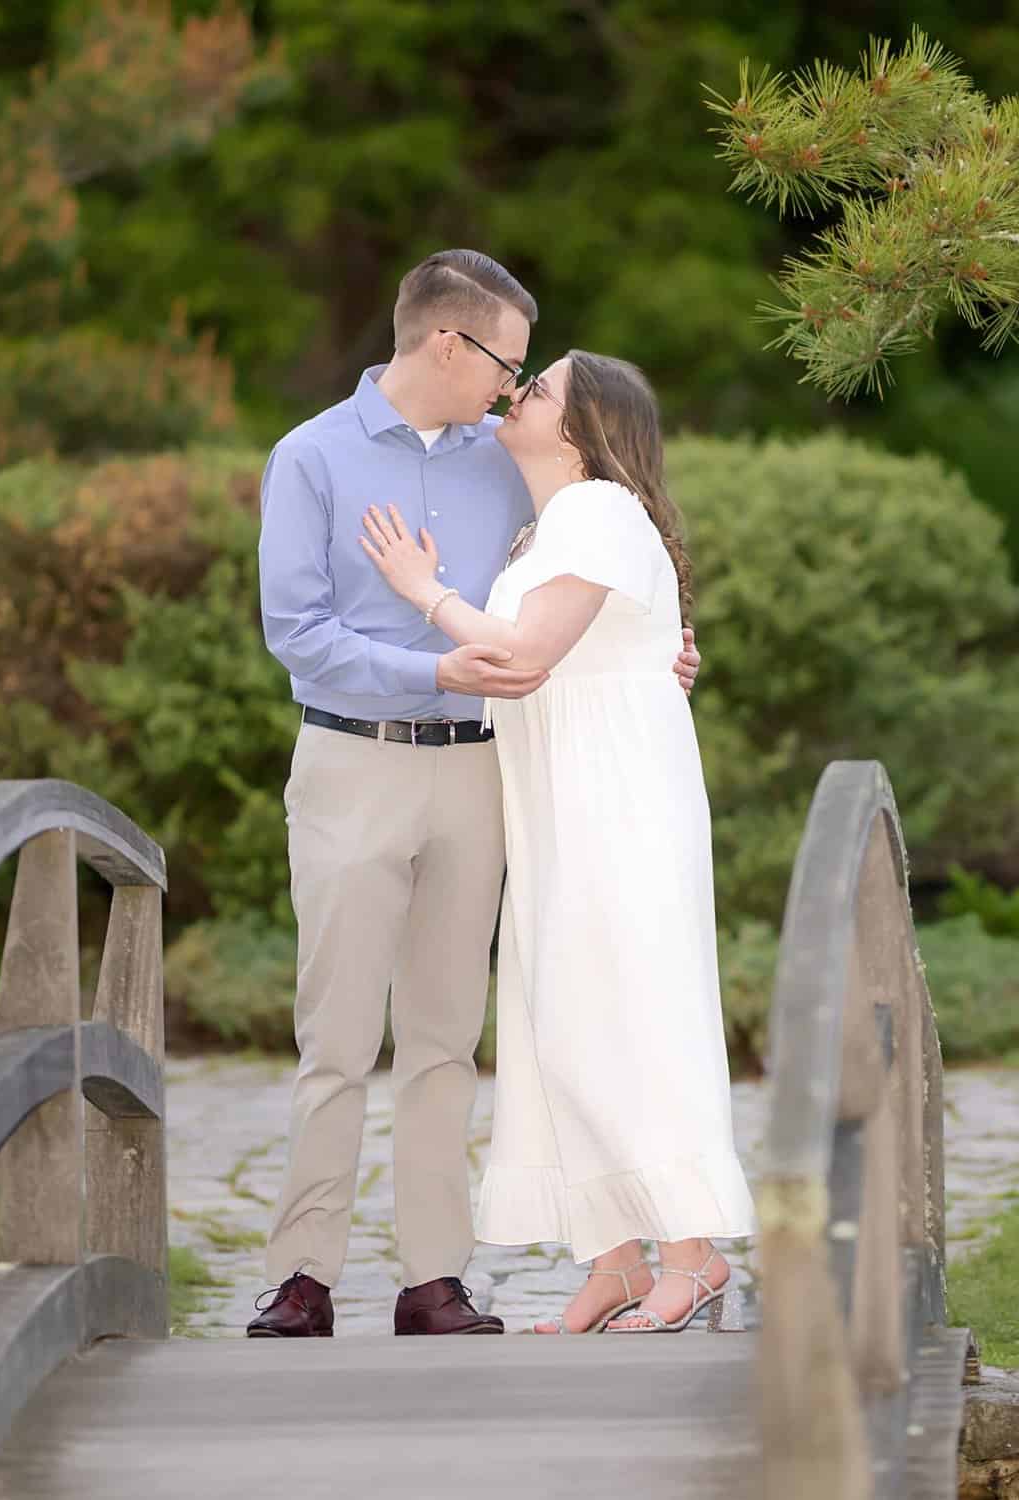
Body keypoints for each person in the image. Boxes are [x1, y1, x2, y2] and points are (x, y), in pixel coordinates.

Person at [249, 250, 702, 1339]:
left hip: (481, 773)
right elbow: (297, 634)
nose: (516, 386)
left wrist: (651, 657)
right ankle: (304, 1275)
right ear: (447, 342)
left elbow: (579, 587)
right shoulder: (309, 457)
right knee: (338, 1039)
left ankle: (433, 1278)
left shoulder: (512, 465)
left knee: (448, 1039)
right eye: (507, 360)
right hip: (352, 762)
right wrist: (430, 668)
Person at [360, 348, 754, 1335]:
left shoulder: (597, 514)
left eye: (538, 389)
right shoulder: (552, 528)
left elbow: (527, 659)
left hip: (616, 805)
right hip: (560, 801)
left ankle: (693, 1254)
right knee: (558, 1020)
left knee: (626, 1009)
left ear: (580, 431)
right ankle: (614, 1257)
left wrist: (423, 590)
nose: (517, 393)